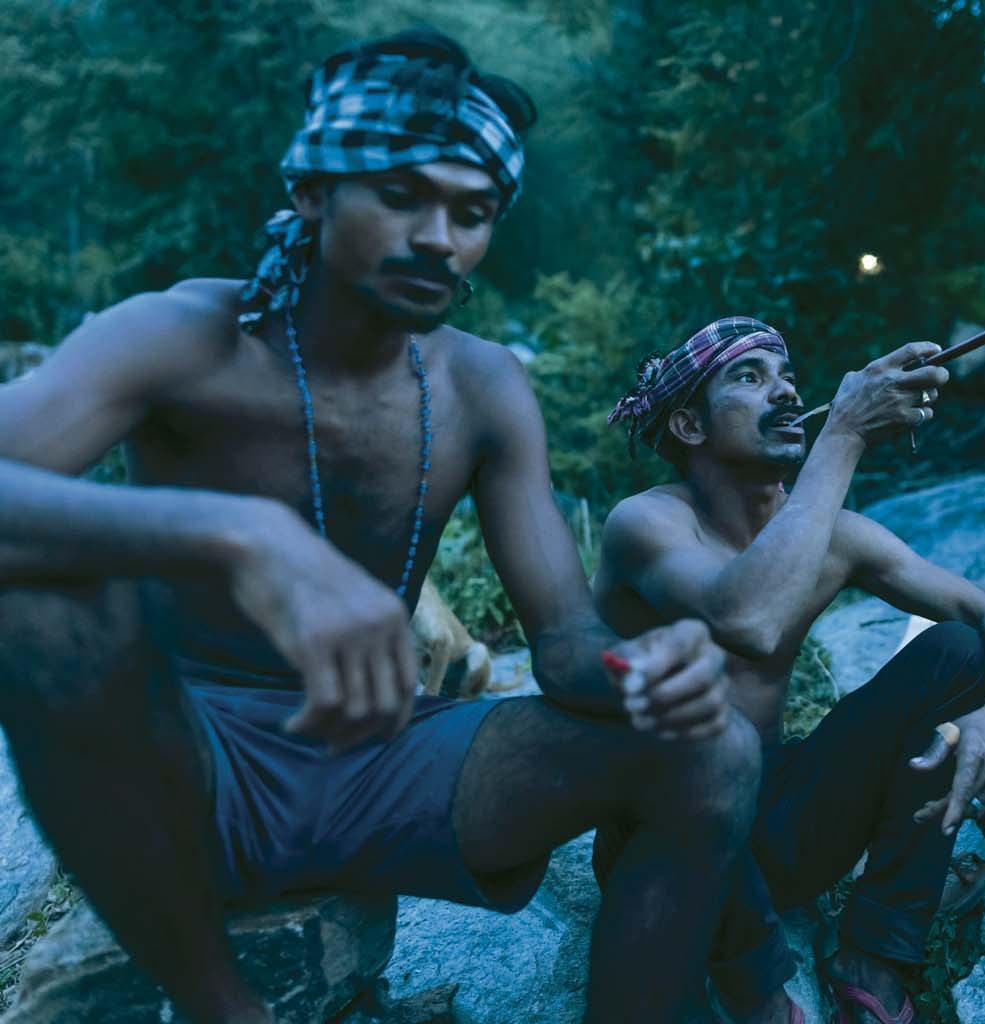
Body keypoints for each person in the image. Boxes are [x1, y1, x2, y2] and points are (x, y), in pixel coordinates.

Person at [0, 31, 761, 1024]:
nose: (440, 237)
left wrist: (647, 670)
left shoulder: (484, 386)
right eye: (401, 196)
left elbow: (568, 645)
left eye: (473, 212)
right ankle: (223, 1006)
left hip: (384, 758)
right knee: (42, 600)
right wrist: (237, 533)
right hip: (191, 759)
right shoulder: (182, 335)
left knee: (720, 752)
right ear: (314, 193)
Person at [595, 317, 985, 1024]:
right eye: (749, 378)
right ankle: (747, 987)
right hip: (668, 836)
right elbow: (748, 621)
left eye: (786, 376)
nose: (784, 392)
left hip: (779, 823)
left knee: (960, 652)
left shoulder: (835, 537)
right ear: (689, 426)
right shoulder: (647, 524)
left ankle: (875, 955)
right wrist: (841, 437)